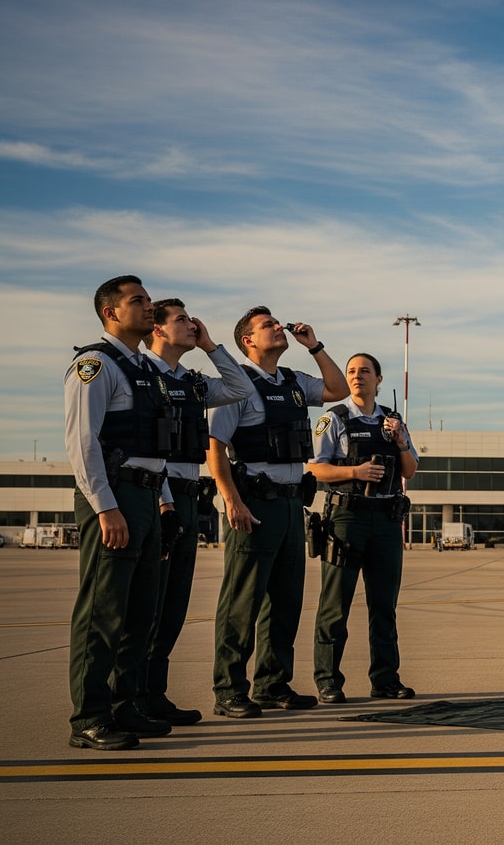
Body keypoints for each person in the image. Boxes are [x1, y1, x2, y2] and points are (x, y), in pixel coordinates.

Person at [207, 308, 346, 718]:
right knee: (242, 601)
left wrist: (315, 347)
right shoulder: (238, 384)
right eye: (267, 325)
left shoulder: (293, 381)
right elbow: (214, 449)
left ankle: (272, 683)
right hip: (255, 502)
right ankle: (229, 689)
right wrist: (232, 500)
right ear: (248, 339)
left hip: (290, 504)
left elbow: (336, 389)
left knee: (285, 601)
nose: (278, 327)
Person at [64, 275, 179, 750]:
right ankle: (89, 718)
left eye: (149, 300)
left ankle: (122, 705)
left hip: (147, 497)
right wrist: (106, 507)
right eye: (138, 301)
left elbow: (155, 446)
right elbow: (82, 442)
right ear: (111, 312)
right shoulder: (95, 365)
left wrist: (165, 497)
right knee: (103, 611)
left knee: (140, 611)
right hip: (115, 497)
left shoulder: (146, 370)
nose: (148, 307)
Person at [138, 298, 255, 726]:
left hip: (189, 498)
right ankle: (131, 697)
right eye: (183, 320)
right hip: (158, 495)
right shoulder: (142, 373)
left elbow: (241, 388)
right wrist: (165, 500)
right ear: (158, 328)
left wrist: (211, 346)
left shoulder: (192, 381)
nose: (193, 324)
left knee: (173, 605)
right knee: (148, 604)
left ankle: (154, 695)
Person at [306, 353, 419, 704]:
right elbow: (314, 469)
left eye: (364, 371)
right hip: (347, 519)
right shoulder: (334, 419)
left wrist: (400, 441)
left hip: (385, 520)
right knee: (335, 605)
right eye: (352, 371)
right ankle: (328, 680)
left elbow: (410, 470)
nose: (357, 377)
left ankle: (385, 679)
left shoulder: (393, 421)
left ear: (379, 379)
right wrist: (354, 473)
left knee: (384, 605)